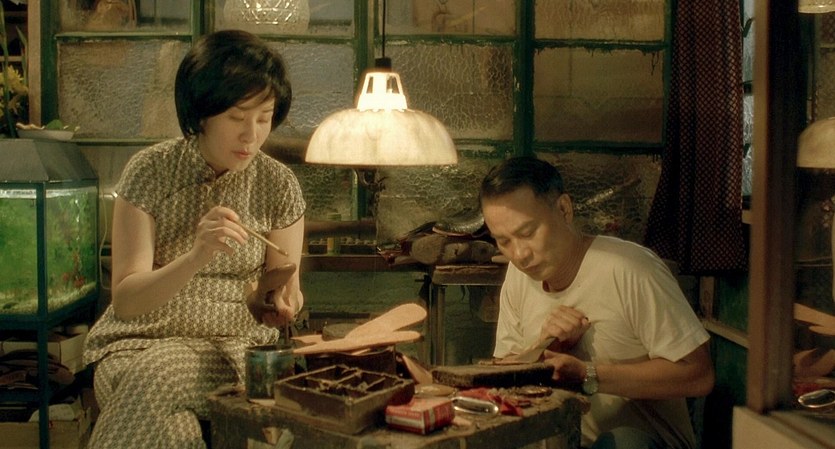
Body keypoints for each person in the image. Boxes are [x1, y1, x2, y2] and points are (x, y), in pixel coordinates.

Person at [82, 30, 306, 449]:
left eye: (264, 117)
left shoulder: (279, 185)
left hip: (232, 353)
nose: (252, 135)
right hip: (133, 347)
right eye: (237, 118)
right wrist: (194, 258)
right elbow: (126, 302)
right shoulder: (150, 171)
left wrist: (282, 302)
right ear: (202, 112)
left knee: (159, 374)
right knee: (175, 429)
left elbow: (286, 291)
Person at [479, 156, 714, 449]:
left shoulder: (630, 269)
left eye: (527, 233)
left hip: (644, 444)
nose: (519, 254)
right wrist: (544, 350)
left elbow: (699, 374)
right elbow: (506, 375)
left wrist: (586, 374)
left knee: (624, 443)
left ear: (564, 209)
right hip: (567, 441)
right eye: (503, 241)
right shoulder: (519, 276)